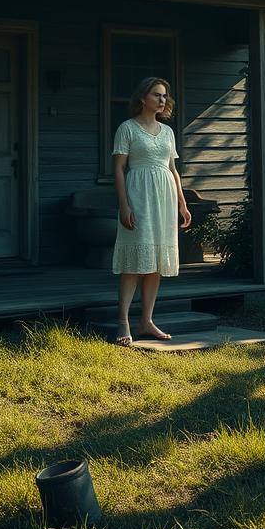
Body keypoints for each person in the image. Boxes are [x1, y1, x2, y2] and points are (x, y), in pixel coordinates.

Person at [111, 76, 191, 347]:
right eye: (156, 94)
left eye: (164, 95)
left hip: (165, 200)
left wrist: (182, 204)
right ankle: (123, 321)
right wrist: (124, 205)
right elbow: (119, 169)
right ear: (143, 97)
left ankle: (146, 320)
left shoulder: (167, 132)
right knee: (134, 260)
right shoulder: (127, 129)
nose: (162, 99)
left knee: (155, 260)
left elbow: (173, 170)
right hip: (139, 196)